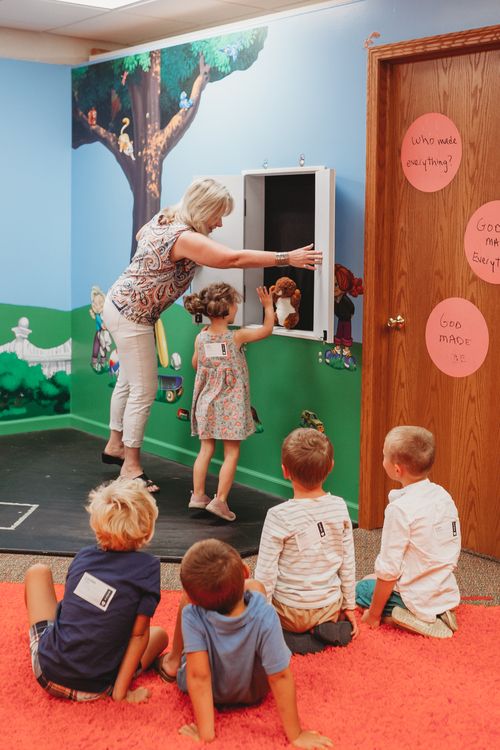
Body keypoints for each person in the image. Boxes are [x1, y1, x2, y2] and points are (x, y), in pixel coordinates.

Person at [102, 178, 322, 492]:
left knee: (127, 381)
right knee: (144, 390)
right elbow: (232, 259)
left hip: (117, 303)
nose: (219, 224)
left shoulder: (163, 219)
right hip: (132, 316)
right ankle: (130, 468)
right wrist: (287, 258)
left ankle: (115, 445)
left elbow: (140, 235)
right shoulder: (184, 238)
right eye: (217, 215)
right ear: (202, 209)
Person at [156, 539, 333, 749]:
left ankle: (171, 661)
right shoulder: (266, 614)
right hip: (254, 691)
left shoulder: (191, 615)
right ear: (246, 571)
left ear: (193, 600)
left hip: (212, 693)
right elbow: (280, 676)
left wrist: (206, 733)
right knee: (257, 588)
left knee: (191, 654)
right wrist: (296, 735)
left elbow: (199, 676)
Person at [24, 478, 168, 702]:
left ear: (97, 520)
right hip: (99, 686)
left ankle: (46, 643)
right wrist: (121, 693)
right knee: (160, 635)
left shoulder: (83, 556)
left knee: (37, 572)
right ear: (147, 527)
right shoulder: (148, 568)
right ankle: (116, 684)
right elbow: (139, 635)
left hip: (49, 673)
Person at [254, 428, 358, 654]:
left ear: (284, 471)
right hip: (328, 609)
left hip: (288, 612)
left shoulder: (278, 516)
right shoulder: (339, 507)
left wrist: (263, 618)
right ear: (331, 467)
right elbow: (347, 562)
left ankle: (288, 637)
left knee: (245, 591)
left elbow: (265, 572)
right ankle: (323, 630)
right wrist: (349, 606)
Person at [356, 425, 461, 638]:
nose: (382, 459)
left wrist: (373, 615)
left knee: (358, 589)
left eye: (383, 456)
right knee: (371, 577)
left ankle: (413, 618)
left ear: (397, 470)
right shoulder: (443, 495)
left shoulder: (399, 510)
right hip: (443, 589)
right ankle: (439, 611)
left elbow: (389, 569)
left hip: (415, 597)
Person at [183, 282, 274, 521]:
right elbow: (266, 330)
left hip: (206, 403)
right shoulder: (236, 336)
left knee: (205, 450)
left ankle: (198, 495)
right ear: (228, 309)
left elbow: (195, 364)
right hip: (230, 405)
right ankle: (220, 501)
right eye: (236, 304)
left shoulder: (201, 337)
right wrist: (268, 306)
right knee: (231, 453)